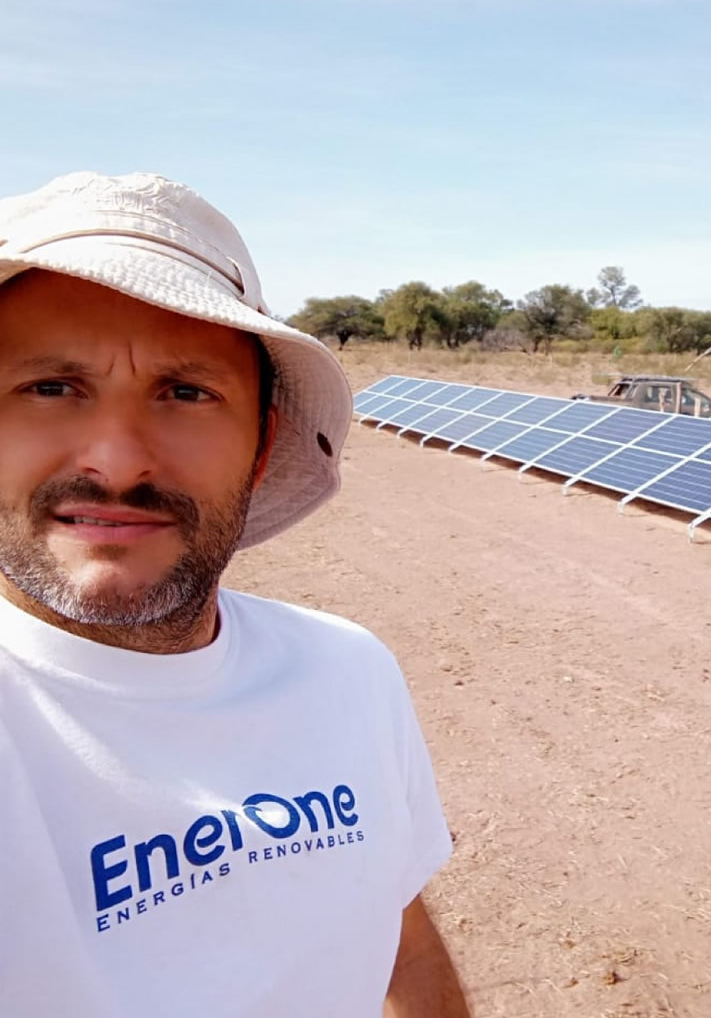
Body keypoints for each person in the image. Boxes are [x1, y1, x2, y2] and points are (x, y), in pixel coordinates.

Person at [0, 172, 470, 1017]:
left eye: (186, 393)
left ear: (261, 449)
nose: (116, 461)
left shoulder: (348, 670)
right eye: (50, 387)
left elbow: (398, 941)